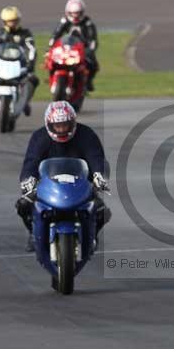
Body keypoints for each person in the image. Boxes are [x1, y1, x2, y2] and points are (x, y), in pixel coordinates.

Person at [16, 101, 111, 253]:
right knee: (23, 205)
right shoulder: (39, 137)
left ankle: (92, 235)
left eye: (65, 125)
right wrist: (28, 179)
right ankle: (34, 234)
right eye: (57, 126)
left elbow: (96, 157)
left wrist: (99, 176)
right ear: (49, 124)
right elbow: (31, 161)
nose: (61, 129)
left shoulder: (87, 135)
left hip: (80, 184)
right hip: (48, 184)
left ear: (73, 122)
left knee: (101, 211)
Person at [0, 6, 39, 115]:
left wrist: (30, 63)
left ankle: (26, 101)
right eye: (10, 21)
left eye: (14, 21)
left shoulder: (25, 33)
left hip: (19, 63)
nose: (13, 23)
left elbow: (31, 49)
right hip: (1, 62)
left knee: (33, 79)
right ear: (4, 22)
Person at [47, 0, 99, 91]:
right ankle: (52, 79)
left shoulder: (88, 23)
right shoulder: (65, 21)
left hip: (82, 49)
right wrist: (51, 46)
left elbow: (93, 39)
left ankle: (88, 81)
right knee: (50, 61)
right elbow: (56, 34)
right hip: (67, 49)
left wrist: (90, 50)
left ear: (82, 12)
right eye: (73, 13)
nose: (75, 16)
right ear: (68, 12)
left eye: (78, 13)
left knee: (94, 65)